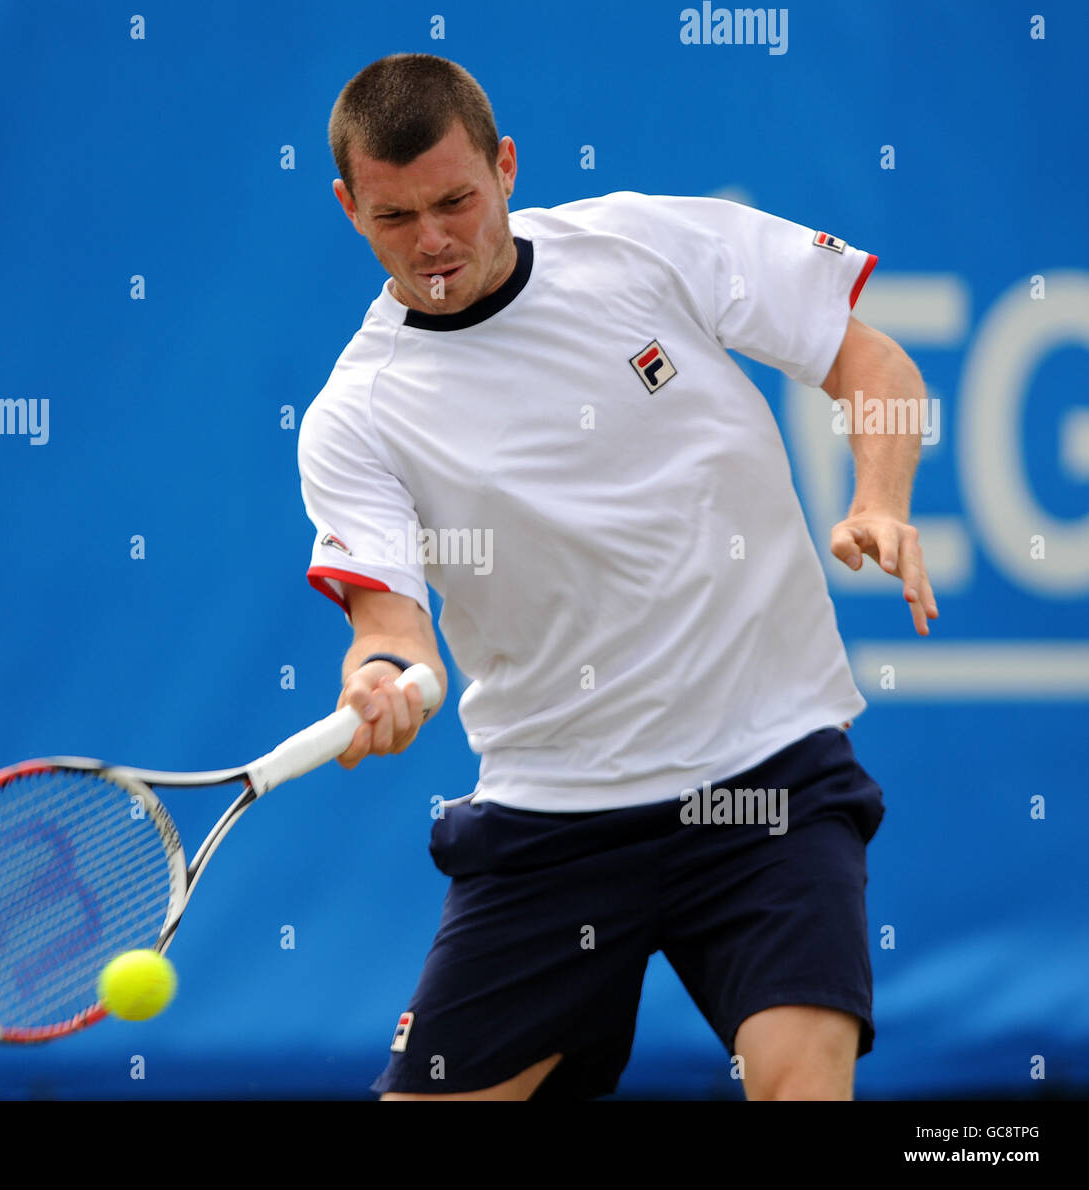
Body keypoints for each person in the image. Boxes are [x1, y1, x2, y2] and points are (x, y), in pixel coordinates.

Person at [296, 52, 938, 1101]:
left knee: (800, 1083)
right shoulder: (356, 413)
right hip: (554, 815)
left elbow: (873, 366)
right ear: (348, 207)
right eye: (394, 218)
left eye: (456, 199)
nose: (434, 240)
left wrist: (879, 500)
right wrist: (379, 674)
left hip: (764, 770)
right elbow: (392, 625)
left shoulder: (649, 245)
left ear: (505, 166)